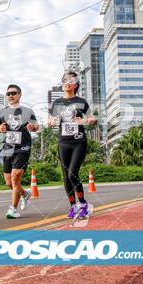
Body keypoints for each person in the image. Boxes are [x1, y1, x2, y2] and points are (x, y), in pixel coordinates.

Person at [48, 71, 95, 219]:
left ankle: (82, 204)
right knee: (66, 177)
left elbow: (92, 119)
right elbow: (49, 122)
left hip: (79, 141)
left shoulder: (81, 101)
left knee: (72, 174)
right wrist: (51, 122)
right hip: (63, 142)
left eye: (70, 80)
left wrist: (84, 121)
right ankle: (73, 206)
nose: (66, 82)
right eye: (64, 80)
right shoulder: (57, 103)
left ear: (75, 84)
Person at [0, 84, 39, 219]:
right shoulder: (2, 112)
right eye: (8, 94)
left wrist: (33, 128)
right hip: (8, 148)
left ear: (19, 95)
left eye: (13, 93)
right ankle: (25, 194)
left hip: (23, 147)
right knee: (9, 183)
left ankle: (13, 209)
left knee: (15, 176)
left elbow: (36, 126)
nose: (11, 96)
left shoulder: (27, 111)